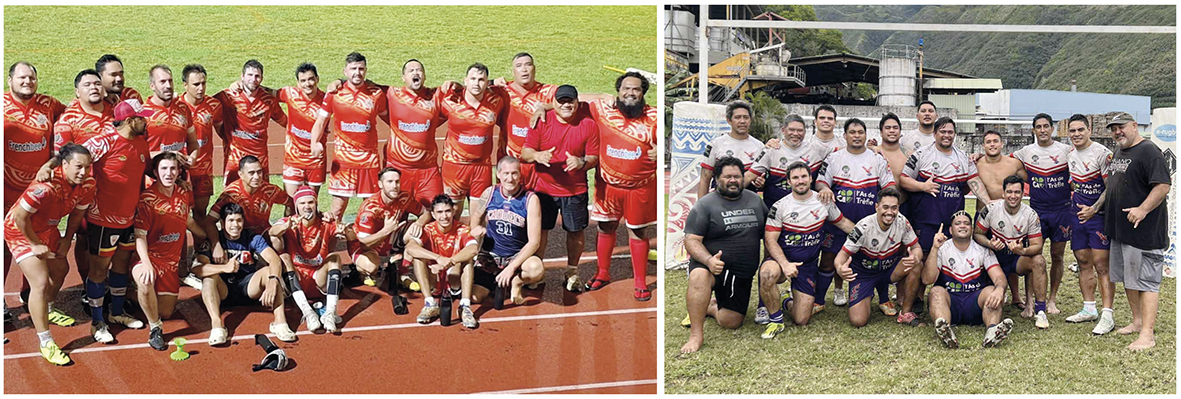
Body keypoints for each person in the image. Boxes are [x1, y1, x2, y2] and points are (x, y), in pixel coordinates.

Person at [3, 144, 95, 365]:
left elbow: (76, 216)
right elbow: (19, 218)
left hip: (48, 229)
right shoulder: (44, 187)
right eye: (78, 166)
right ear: (64, 165)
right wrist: (34, 244)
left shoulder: (88, 185)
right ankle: (46, 342)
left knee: (61, 269)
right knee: (40, 282)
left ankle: (49, 308)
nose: (83, 172)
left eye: (87, 167)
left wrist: (66, 239)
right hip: (20, 231)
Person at [897, 116, 991, 325]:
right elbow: (903, 179)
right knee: (921, 259)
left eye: (950, 132)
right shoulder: (921, 154)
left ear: (954, 134)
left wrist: (988, 202)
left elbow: (973, 181)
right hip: (924, 218)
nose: (946, 135)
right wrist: (922, 186)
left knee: (948, 259)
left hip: (952, 222)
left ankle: (947, 299)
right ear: (935, 133)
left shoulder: (963, 157)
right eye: (943, 131)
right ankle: (916, 300)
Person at [81, 99, 155, 343]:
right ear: (130, 121)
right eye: (142, 118)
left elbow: (147, 168)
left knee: (121, 265)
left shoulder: (141, 142)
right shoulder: (103, 142)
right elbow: (73, 158)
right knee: (99, 270)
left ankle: (117, 312)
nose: (146, 121)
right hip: (103, 220)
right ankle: (97, 322)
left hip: (129, 218)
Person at [679, 157, 768, 353]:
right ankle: (696, 336)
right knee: (699, 276)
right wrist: (708, 260)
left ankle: (710, 307)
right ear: (717, 178)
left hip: (740, 273)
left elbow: (769, 233)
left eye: (737, 176)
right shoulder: (705, 205)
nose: (733, 180)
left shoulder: (755, 201)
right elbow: (691, 240)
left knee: (731, 322)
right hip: (711, 266)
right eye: (727, 177)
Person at [759, 161, 855, 338]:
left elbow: (842, 223)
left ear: (811, 178)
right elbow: (770, 240)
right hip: (782, 261)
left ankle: (787, 301)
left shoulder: (823, 201)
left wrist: (866, 235)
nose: (800, 181)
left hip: (807, 265)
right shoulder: (780, 206)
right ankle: (776, 320)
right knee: (767, 273)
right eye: (795, 178)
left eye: (804, 176)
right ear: (789, 182)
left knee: (801, 319)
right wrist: (785, 264)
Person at [1102, 112, 1171, 351]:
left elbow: (1162, 185)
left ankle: (1147, 334)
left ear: (1134, 125)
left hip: (1144, 232)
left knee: (1147, 281)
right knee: (1129, 279)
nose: (1117, 132)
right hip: (1121, 230)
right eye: (1113, 129)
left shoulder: (1149, 151)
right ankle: (1137, 321)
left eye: (1121, 127)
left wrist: (1142, 209)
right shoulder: (1120, 151)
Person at [520, 84, 598, 291]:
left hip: (575, 190)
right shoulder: (541, 121)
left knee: (575, 232)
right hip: (543, 189)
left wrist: (581, 162)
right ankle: (537, 270)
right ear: (553, 103)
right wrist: (537, 155)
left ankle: (572, 271)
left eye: (569, 101)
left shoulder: (588, 124)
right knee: (540, 231)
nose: (566, 105)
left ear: (577, 103)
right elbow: (525, 152)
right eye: (561, 101)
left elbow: (593, 157)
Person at [816, 118, 897, 315]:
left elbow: (889, 185)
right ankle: (818, 300)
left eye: (860, 132)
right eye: (852, 132)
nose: (857, 136)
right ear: (845, 136)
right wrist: (824, 188)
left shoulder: (877, 158)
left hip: (868, 223)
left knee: (874, 259)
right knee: (828, 259)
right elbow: (820, 181)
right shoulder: (834, 158)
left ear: (866, 135)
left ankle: (883, 299)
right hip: (837, 221)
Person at [4, 61, 66, 319]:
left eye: (31, 77)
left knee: (38, 241)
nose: (27, 82)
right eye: (22, 78)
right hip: (6, 193)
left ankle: (28, 293)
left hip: (38, 193)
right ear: (10, 81)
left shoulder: (48, 104)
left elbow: (70, 114)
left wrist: (54, 159)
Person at [44, 70, 112, 297]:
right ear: (77, 92)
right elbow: (60, 157)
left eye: (97, 83)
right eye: (87, 85)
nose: (93, 87)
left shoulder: (116, 112)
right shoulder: (68, 120)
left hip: (115, 192)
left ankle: (113, 284)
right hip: (85, 194)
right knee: (84, 239)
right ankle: (87, 287)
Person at [131, 152, 208, 350]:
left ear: (179, 171)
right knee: (145, 280)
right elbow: (139, 235)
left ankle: (132, 296)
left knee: (166, 312)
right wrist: (146, 263)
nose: (169, 173)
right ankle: (155, 328)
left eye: (173, 168)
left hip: (171, 265)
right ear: (156, 172)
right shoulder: (147, 199)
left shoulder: (183, 193)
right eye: (164, 168)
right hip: (150, 258)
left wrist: (206, 237)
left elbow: (188, 221)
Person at [193, 203, 296, 345]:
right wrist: (224, 268)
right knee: (209, 278)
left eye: (239, 220)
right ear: (222, 223)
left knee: (270, 272)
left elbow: (275, 260)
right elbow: (197, 268)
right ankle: (217, 325)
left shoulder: (252, 238)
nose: (235, 225)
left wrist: (273, 282)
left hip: (249, 287)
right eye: (231, 220)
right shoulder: (214, 242)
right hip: (223, 291)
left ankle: (280, 323)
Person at [310, 52, 390, 219]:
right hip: (344, 162)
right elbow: (320, 121)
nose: (357, 72)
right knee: (337, 211)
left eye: (361, 69)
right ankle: (333, 235)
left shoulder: (376, 94)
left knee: (373, 210)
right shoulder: (334, 94)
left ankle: (370, 236)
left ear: (366, 70)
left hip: (369, 162)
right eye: (353, 69)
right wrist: (314, 143)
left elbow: (388, 119)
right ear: (345, 71)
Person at [833, 187, 922, 328]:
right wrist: (840, 268)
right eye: (885, 207)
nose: (890, 212)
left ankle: (905, 313)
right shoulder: (863, 227)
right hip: (864, 274)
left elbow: (916, 247)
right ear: (877, 207)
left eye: (894, 208)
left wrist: (915, 257)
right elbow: (841, 255)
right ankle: (870, 293)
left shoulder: (902, 221)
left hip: (889, 270)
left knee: (917, 265)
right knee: (858, 321)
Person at [922, 211, 1014, 348]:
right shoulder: (942, 249)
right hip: (950, 302)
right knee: (936, 291)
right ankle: (945, 331)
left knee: (992, 290)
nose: (962, 226)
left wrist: (1000, 289)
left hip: (974, 303)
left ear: (972, 229)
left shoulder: (982, 250)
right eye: (958, 223)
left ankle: (992, 331)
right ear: (950, 230)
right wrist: (934, 248)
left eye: (966, 223)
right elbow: (927, 279)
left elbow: (999, 277)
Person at [1011, 113, 1073, 314]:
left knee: (1057, 255)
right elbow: (1003, 161)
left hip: (1062, 210)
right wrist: (977, 156)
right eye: (1039, 127)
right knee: (1033, 255)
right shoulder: (1026, 152)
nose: (1043, 130)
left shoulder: (1066, 150)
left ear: (1052, 129)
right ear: (1033, 130)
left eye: (1046, 126)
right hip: (1037, 211)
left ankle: (1052, 300)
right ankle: (1030, 302)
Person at [271, 185, 351, 333]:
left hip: (318, 277)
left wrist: (346, 231)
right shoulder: (289, 222)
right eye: (302, 203)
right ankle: (307, 312)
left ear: (316, 204)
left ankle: (330, 313)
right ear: (296, 206)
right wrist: (285, 228)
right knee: (284, 256)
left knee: (335, 257)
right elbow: (272, 231)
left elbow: (353, 237)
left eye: (310, 202)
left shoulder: (326, 222)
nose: (307, 207)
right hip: (297, 277)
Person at [973, 175, 1049, 329]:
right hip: (993, 258)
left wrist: (1022, 250)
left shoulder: (1030, 214)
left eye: (1017, 192)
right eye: (1009, 192)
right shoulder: (990, 210)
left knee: (1038, 261)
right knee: (990, 300)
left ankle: (1040, 311)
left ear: (1023, 194)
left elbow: (1037, 246)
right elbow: (977, 235)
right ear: (1003, 193)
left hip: (1016, 259)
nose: (1013, 196)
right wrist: (990, 243)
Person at [1064, 114, 1116, 334]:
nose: (1076, 134)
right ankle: (1089, 308)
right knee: (1083, 261)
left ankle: (1107, 315)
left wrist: (1094, 209)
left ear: (1089, 130)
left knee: (1102, 265)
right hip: (1077, 216)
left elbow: (1111, 188)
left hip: (1098, 217)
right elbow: (1076, 184)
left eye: (1080, 130)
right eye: (1072, 130)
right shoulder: (1070, 154)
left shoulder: (1102, 154)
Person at [469, 157, 545, 306]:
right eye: (506, 173)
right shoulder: (490, 193)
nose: (510, 179)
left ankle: (516, 281)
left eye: (514, 173)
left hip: (516, 255)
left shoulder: (530, 200)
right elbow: (476, 216)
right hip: (490, 255)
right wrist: (476, 229)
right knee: (475, 298)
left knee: (536, 269)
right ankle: (496, 282)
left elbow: (534, 242)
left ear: (520, 175)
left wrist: (512, 267)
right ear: (498, 174)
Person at [436, 63, 509, 219]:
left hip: (482, 167)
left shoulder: (496, 102)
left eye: (481, 80)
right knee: (452, 214)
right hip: (455, 166)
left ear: (487, 82)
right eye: (473, 79)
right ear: (465, 81)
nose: (476, 83)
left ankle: (476, 237)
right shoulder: (451, 101)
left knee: (479, 215)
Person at [346, 167, 431, 300]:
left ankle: (402, 272)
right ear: (380, 184)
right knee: (370, 266)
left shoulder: (404, 197)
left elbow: (426, 213)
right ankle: (361, 272)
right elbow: (363, 244)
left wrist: (419, 223)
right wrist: (386, 230)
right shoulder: (370, 208)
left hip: (390, 237)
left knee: (421, 231)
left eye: (397, 182)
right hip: (366, 244)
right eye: (390, 182)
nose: (394, 186)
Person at [972, 130, 1029, 310]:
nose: (992, 144)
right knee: (984, 255)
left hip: (1009, 216)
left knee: (1011, 253)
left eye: (995, 141)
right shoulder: (975, 163)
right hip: (984, 215)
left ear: (1002, 143)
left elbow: (1032, 180)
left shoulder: (1014, 163)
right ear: (983, 145)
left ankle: (1016, 297)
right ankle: (986, 293)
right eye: (988, 142)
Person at [405, 195, 480, 328]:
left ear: (453, 212)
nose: (444, 216)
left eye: (447, 211)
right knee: (417, 257)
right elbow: (410, 248)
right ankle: (430, 303)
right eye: (439, 212)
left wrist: (449, 262)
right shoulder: (428, 229)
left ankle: (465, 306)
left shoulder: (462, 229)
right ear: (433, 215)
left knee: (467, 261)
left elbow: (473, 249)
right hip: (434, 277)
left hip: (454, 277)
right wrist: (438, 258)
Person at [215, 59, 287, 185]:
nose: (253, 79)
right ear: (242, 76)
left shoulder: (268, 100)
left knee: (260, 192)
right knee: (232, 193)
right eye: (250, 75)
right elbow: (206, 107)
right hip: (234, 157)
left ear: (262, 78)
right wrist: (222, 133)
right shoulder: (227, 96)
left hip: (259, 158)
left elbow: (285, 121)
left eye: (257, 76)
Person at [208, 155, 294, 255]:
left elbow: (291, 203)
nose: (256, 177)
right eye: (251, 173)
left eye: (259, 172)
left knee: (277, 241)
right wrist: (216, 245)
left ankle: (284, 258)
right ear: (241, 174)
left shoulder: (270, 190)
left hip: (262, 234)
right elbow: (209, 221)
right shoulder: (230, 194)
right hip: (239, 237)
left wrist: (286, 221)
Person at [498, 52, 558, 190]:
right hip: (510, 167)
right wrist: (492, 81)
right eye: (519, 66)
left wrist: (546, 106)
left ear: (534, 69)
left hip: (539, 165)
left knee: (539, 202)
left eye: (528, 65)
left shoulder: (547, 92)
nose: (524, 69)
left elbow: (572, 100)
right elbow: (473, 88)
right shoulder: (503, 91)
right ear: (513, 71)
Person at [278, 63, 329, 195]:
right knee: (291, 203)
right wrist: (241, 85)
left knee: (311, 201)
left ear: (317, 79)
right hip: (293, 158)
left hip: (316, 160)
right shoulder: (290, 94)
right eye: (303, 80)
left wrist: (339, 81)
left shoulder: (327, 100)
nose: (308, 84)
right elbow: (265, 93)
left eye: (311, 79)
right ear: (298, 83)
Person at [698, 101, 763, 199]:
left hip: (747, 200)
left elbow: (762, 180)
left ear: (750, 120)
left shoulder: (759, 146)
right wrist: (701, 205)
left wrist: (761, 183)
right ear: (729, 120)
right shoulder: (716, 144)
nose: (742, 121)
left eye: (746, 117)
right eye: (737, 117)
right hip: (720, 200)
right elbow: (705, 177)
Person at [143, 65, 199, 161]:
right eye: (162, 82)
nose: (168, 86)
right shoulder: (143, 113)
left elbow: (193, 142)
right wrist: (167, 154)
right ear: (152, 86)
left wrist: (192, 158)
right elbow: (136, 153)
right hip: (152, 170)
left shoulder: (183, 109)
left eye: (170, 81)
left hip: (178, 170)